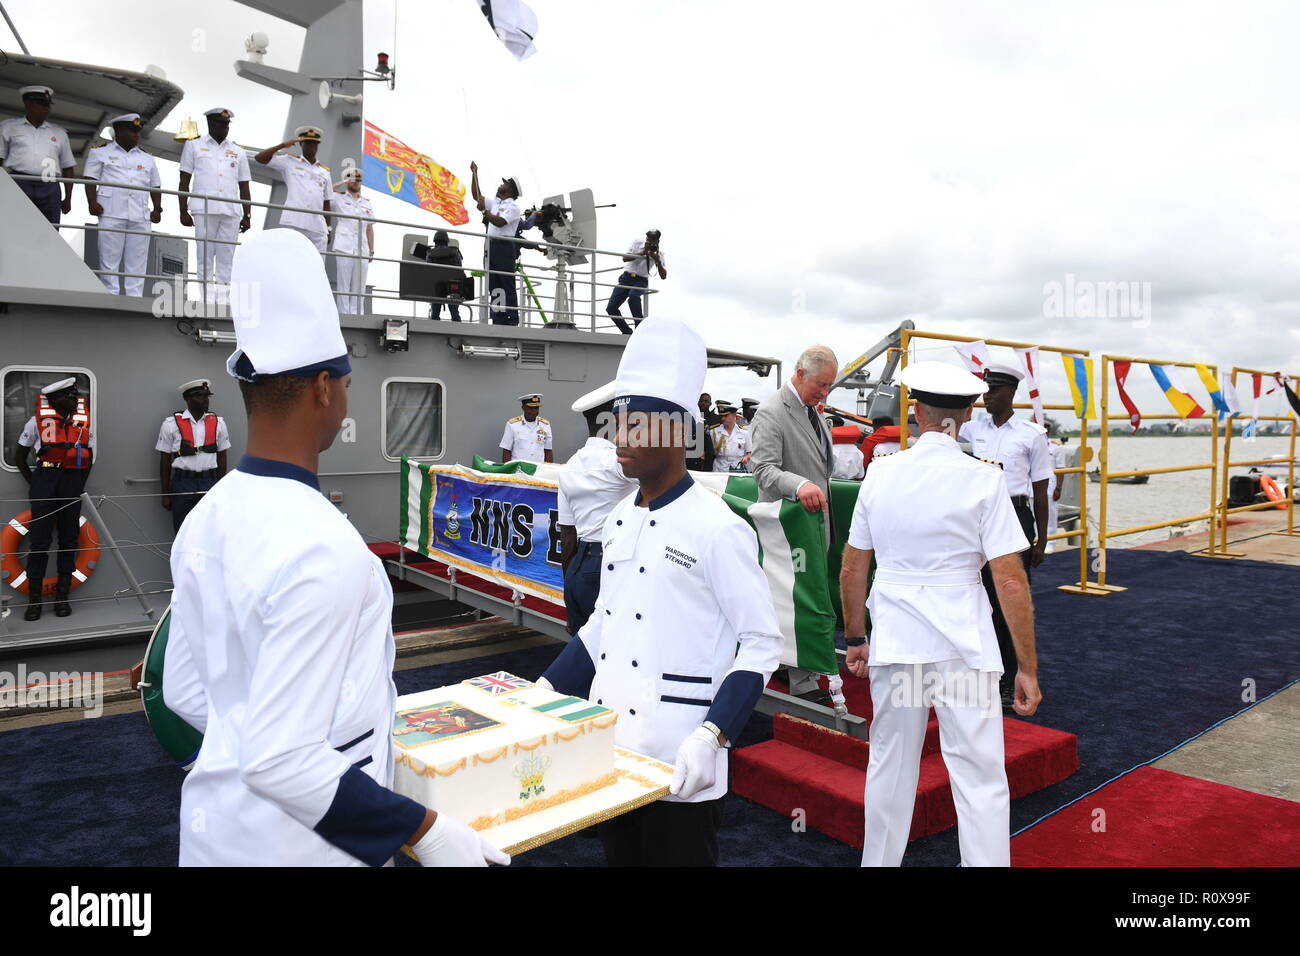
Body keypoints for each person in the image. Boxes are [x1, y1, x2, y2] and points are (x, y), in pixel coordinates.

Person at [161, 228, 507, 867]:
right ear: (324, 387)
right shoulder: (327, 549)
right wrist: (427, 832)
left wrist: (258, 742)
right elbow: (282, 758)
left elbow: (184, 690)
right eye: (346, 381)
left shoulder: (204, 519)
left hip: (213, 839)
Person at [539, 318, 783, 866]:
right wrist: (544, 691)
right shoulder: (622, 517)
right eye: (616, 425)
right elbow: (602, 621)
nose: (617, 440)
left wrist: (713, 735)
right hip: (615, 746)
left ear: (673, 432)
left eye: (632, 426)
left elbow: (761, 642)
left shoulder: (719, 529)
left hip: (681, 753)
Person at [839, 360, 1043, 868]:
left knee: (890, 765)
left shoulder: (880, 475)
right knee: (979, 778)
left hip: (899, 645)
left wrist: (856, 638)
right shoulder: (985, 480)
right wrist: (1028, 668)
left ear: (915, 412)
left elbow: (851, 568)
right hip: (964, 651)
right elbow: (1010, 580)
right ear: (968, 413)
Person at [958, 363, 1051, 709]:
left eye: (993, 390)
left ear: (1010, 393)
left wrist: (1041, 541)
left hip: (1015, 514)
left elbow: (1040, 492)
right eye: (985, 390)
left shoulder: (1031, 435)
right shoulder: (970, 429)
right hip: (977, 515)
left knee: (1010, 598)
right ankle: (983, 672)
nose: (987, 396)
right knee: (977, 594)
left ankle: (1012, 677)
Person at [750, 344, 837, 702]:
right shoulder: (772, 412)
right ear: (799, 374)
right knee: (798, 599)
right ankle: (803, 682)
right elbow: (763, 471)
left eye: (829, 386)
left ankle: (791, 666)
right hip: (789, 528)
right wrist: (799, 485)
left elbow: (821, 468)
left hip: (815, 524)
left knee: (802, 596)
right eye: (821, 384)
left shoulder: (814, 412)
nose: (824, 393)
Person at [556, 382, 637, 637]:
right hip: (612, 563)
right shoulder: (618, 462)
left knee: (586, 654)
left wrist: (570, 598)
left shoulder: (569, 467)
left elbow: (567, 536)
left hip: (580, 564)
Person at [12, 378, 93, 621]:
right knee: (39, 542)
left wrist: (78, 485)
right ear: (55, 400)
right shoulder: (35, 423)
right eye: (69, 397)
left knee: (69, 540)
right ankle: (34, 602)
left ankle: (62, 599)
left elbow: (90, 457)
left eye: (75, 397)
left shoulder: (82, 425)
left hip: (71, 481)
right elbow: (19, 456)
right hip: (45, 478)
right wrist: (36, 484)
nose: (74, 401)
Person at [83, 113, 163, 296]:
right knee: (109, 260)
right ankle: (111, 295)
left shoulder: (147, 158)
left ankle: (134, 297)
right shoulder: (100, 152)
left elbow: (155, 185)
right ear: (118, 130)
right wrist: (92, 202)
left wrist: (157, 208)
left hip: (140, 215)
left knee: (137, 261)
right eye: (132, 131)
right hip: (111, 212)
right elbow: (90, 179)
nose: (137, 135)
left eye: (138, 132)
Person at [178, 108, 252, 303]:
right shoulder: (193, 146)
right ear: (210, 123)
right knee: (205, 257)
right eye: (221, 124)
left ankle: (223, 301)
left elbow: (244, 185)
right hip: (204, 208)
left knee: (226, 259)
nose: (225, 128)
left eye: (227, 124)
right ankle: (207, 300)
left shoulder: (238, 151)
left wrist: (248, 215)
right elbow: (184, 180)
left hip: (231, 211)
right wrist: (182, 210)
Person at [156, 379, 231, 533]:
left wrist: (220, 488)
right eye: (200, 396)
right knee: (183, 531)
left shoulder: (219, 423)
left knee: (209, 531)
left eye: (207, 396)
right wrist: (165, 493)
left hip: (209, 482)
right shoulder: (170, 425)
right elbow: (164, 460)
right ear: (188, 399)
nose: (205, 400)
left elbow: (222, 457)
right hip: (182, 483)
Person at [0, 86, 74, 225]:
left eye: (47, 105)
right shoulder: (8, 127)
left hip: (49, 184)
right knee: (15, 225)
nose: (46, 109)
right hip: (18, 181)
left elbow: (68, 167)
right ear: (28, 104)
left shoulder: (59, 133)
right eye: (41, 105)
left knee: (50, 229)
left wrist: (68, 198)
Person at [254, 126, 332, 252]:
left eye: (314, 143)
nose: (311, 146)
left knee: (316, 266)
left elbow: (327, 202)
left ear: (318, 145)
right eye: (308, 143)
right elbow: (260, 158)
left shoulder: (325, 172)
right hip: (294, 222)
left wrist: (328, 228)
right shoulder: (289, 162)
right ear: (301, 143)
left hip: (317, 227)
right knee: (290, 259)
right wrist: (282, 145)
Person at [468, 161, 522, 325]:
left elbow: (500, 222)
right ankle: (498, 317)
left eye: (504, 183)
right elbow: (477, 196)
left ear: (510, 189)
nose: (501, 184)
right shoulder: (496, 203)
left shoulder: (513, 207)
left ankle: (511, 318)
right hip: (491, 246)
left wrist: (485, 213)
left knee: (506, 282)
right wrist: (474, 173)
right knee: (494, 283)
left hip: (504, 246)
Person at [330, 167, 374, 314]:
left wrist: (372, 249)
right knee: (344, 284)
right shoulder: (338, 198)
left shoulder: (366, 203)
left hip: (362, 248)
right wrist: (341, 183)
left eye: (358, 180)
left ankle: (357, 314)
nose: (356, 182)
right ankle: (343, 313)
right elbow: (324, 192)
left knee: (359, 286)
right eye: (353, 179)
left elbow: (369, 228)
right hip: (344, 246)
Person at [606, 229, 667, 334]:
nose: (649, 241)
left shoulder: (659, 253)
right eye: (648, 238)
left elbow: (663, 276)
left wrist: (657, 261)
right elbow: (625, 258)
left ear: (657, 241)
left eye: (652, 239)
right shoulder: (637, 243)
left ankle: (640, 329)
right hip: (626, 278)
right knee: (611, 308)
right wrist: (643, 253)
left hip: (641, 280)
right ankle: (627, 331)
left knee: (633, 296)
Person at [424, 230, 466, 321]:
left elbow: (428, 271)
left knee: (435, 314)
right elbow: (459, 270)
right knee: (454, 312)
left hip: (436, 286)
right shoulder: (455, 252)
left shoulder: (430, 253)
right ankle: (457, 325)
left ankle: (434, 325)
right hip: (452, 286)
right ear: (447, 240)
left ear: (435, 241)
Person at [499, 394, 553, 463]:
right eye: (530, 408)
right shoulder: (512, 425)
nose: (534, 411)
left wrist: (549, 470)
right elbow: (507, 450)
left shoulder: (545, 425)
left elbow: (548, 451)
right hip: (518, 469)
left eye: (536, 408)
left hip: (538, 470)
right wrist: (507, 470)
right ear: (523, 408)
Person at [710, 401, 752, 473]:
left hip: (737, 469)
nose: (723, 418)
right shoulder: (714, 431)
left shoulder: (744, 433)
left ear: (734, 415)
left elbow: (750, 452)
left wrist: (746, 458)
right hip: (719, 469)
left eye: (726, 416)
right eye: (721, 416)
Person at [685, 392, 719, 472]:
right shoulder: (692, 417)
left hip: (706, 459)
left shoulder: (716, 419)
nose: (703, 403)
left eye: (706, 401)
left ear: (710, 403)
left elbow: (710, 449)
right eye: (701, 401)